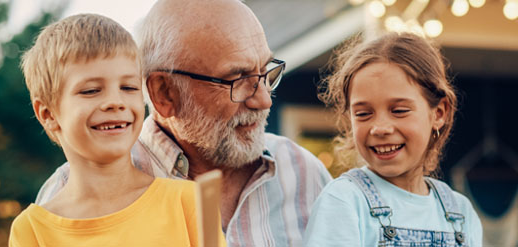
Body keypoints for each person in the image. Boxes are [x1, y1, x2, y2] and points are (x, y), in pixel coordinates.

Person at [35, 0, 332, 246]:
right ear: (164, 92)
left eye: (265, 72)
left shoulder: (305, 174)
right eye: (238, 80)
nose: (264, 100)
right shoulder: (65, 200)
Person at [9, 13, 225, 246]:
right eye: (91, 90)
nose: (116, 101)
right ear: (48, 114)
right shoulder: (31, 230)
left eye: (129, 87)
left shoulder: (190, 202)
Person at [304, 32, 483, 246]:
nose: (380, 128)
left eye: (398, 110)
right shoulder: (344, 201)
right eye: (363, 114)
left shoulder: (460, 215)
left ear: (439, 113)